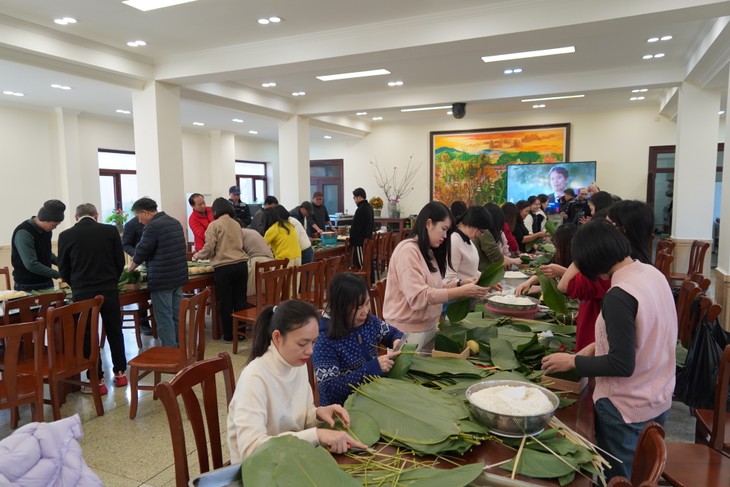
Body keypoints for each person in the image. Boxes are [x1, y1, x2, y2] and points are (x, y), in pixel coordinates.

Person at [542, 221, 676, 480]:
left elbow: (621, 365)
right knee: (639, 475)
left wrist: (573, 362)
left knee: (617, 479)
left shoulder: (619, 295)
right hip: (657, 393)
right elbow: (643, 334)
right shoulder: (652, 274)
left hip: (625, 406)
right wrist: (593, 347)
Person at [226, 299, 366, 462]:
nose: (310, 350)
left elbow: (301, 418)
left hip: (289, 459)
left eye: (313, 342)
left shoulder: (296, 362)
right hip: (258, 471)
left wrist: (318, 414)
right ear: (277, 337)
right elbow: (251, 450)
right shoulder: (254, 377)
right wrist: (316, 435)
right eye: (302, 343)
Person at [382, 202, 494, 352]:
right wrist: (462, 291)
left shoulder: (427, 251)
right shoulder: (408, 251)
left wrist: (461, 284)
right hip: (406, 332)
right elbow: (419, 297)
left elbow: (434, 288)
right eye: (443, 229)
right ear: (429, 223)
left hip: (426, 327)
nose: (445, 236)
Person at [58, 203, 127, 394]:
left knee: (88, 335)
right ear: (96, 216)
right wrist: (111, 280)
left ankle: (97, 380)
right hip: (109, 289)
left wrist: (76, 285)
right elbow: (119, 261)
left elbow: (63, 268)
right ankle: (120, 373)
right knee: (115, 331)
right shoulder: (110, 230)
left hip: (83, 292)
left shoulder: (66, 235)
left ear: (75, 217)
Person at [312, 273, 404, 406]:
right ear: (340, 307)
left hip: (374, 396)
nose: (365, 311)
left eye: (367, 304)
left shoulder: (368, 321)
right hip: (345, 409)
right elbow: (329, 391)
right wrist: (373, 368)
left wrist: (397, 342)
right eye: (358, 307)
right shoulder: (324, 340)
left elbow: (394, 334)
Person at [128, 197, 188, 348]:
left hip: (162, 279)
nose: (140, 221)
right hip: (178, 276)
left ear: (145, 212)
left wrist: (129, 270)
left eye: (138, 217)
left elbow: (142, 251)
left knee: (164, 317)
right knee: (176, 315)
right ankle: (179, 349)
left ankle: (169, 353)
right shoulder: (174, 222)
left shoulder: (152, 227)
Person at [193, 198, 249, 344]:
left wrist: (198, 255)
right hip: (241, 264)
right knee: (240, 300)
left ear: (216, 210)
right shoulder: (236, 223)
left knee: (226, 301)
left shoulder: (214, 225)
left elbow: (209, 247)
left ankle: (229, 335)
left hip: (224, 267)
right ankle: (241, 333)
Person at [11, 199, 66, 291]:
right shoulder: (24, 233)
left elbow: (47, 253)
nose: (55, 228)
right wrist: (60, 275)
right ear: (44, 219)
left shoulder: (47, 230)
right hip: (28, 285)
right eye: (53, 225)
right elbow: (31, 264)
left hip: (46, 281)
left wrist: (62, 264)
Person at [121, 215, 153, 336]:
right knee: (142, 295)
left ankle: (157, 322)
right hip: (140, 261)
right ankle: (143, 323)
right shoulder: (131, 225)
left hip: (156, 262)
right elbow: (125, 244)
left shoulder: (155, 221)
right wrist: (138, 254)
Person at [447, 206, 489, 284]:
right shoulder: (454, 241)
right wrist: (464, 283)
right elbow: (448, 280)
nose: (481, 235)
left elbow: (471, 270)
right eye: (481, 232)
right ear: (471, 225)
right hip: (460, 293)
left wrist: (487, 280)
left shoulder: (468, 240)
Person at [476, 204, 522, 271]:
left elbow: (505, 249)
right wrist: (514, 261)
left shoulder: (499, 233)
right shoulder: (484, 233)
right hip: (486, 273)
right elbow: (496, 256)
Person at [241, 225, 274, 297]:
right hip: (271, 261)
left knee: (251, 294)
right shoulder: (253, 231)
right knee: (265, 292)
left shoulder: (238, 233)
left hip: (257, 261)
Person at [349, 187, 374, 270]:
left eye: (354, 198)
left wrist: (351, 238)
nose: (354, 200)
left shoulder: (361, 209)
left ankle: (364, 282)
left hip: (359, 242)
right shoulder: (369, 207)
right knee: (367, 263)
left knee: (361, 265)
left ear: (359, 197)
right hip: (367, 239)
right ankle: (370, 281)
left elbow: (356, 228)